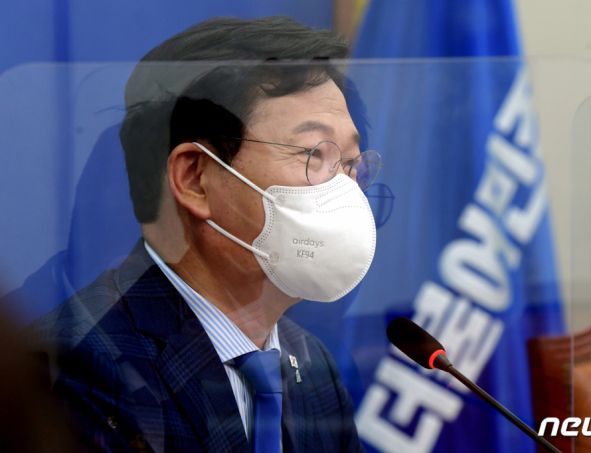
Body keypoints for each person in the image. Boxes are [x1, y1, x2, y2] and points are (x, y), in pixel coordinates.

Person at [29, 16, 380, 452]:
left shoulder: (313, 367)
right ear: (195, 179)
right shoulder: (81, 366)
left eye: (350, 163)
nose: (345, 189)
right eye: (313, 154)